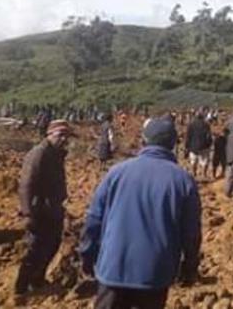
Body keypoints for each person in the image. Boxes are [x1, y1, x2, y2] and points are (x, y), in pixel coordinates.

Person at [79, 117, 202, 309]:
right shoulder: (183, 181)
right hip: (155, 274)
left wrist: (87, 255)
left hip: (113, 268)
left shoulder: (116, 173)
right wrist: (189, 267)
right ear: (172, 144)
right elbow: (191, 233)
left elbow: (94, 219)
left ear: (143, 141)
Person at [15, 120, 73, 297]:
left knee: (53, 245)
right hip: (39, 211)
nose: (64, 139)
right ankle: (21, 288)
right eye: (60, 135)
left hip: (53, 209)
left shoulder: (56, 154)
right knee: (35, 249)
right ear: (49, 134)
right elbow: (26, 184)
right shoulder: (39, 153)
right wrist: (27, 213)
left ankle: (37, 280)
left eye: (66, 136)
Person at [185, 108, 213, 178]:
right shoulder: (206, 125)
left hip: (193, 146)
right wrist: (209, 144)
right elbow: (209, 136)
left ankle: (194, 174)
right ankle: (204, 175)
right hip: (204, 146)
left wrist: (187, 146)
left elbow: (188, 136)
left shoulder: (191, 124)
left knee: (193, 161)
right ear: (202, 117)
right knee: (204, 161)